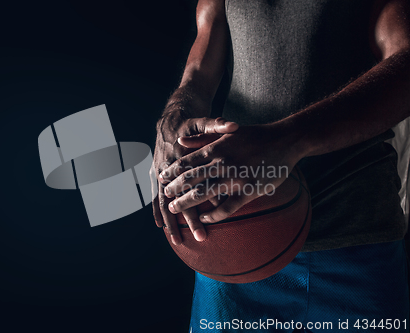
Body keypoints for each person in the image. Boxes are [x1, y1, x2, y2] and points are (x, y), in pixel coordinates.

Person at [151, 0, 410, 331]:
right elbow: (199, 75)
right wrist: (175, 114)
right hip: (237, 244)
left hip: (355, 239)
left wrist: (286, 140)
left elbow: (405, 65)